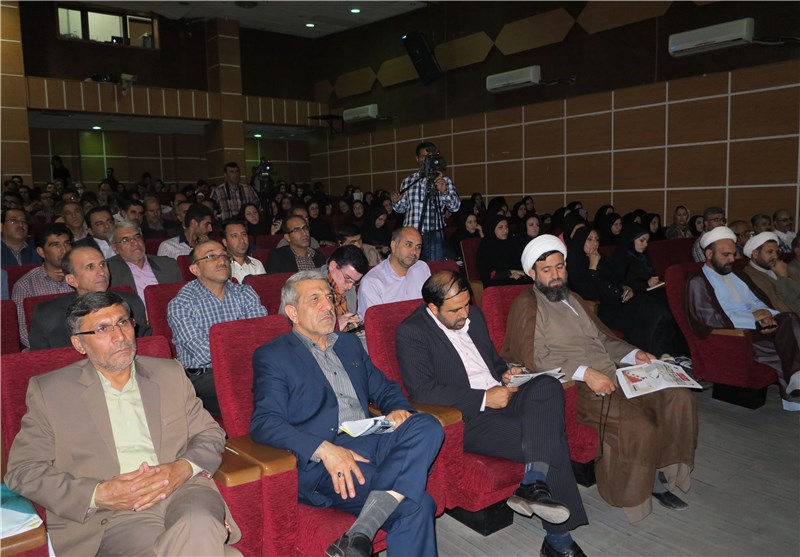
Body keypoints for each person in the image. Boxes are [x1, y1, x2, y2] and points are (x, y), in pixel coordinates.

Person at [5, 291, 241, 556]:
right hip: (113, 515)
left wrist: (182, 468)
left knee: (198, 523)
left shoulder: (169, 374)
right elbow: (23, 471)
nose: (119, 336)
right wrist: (99, 493)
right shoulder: (51, 392)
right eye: (102, 329)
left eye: (122, 322)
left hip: (184, 490)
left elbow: (209, 433)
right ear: (79, 344)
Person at [503, 235, 698, 522]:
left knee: (678, 397)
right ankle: (635, 493)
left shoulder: (573, 298)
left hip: (614, 372)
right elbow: (533, 359)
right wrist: (584, 372)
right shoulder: (527, 305)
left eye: (560, 267)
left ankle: (666, 468)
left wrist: (634, 355)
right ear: (532, 273)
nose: (556, 275)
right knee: (639, 425)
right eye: (547, 270)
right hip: (576, 387)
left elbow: (603, 340)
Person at [250, 271, 443, 557]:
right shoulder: (274, 355)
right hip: (327, 456)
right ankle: (363, 530)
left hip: (371, 435)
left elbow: (384, 388)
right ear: (292, 313)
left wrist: (397, 409)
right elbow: (264, 422)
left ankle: (360, 531)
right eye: (315, 300)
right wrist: (324, 450)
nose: (328, 306)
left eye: (329, 297)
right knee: (419, 504)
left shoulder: (348, 344)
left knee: (427, 424)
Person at [397, 271, 589, 557]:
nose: (465, 313)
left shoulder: (474, 316)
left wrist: (505, 373)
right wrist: (484, 398)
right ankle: (558, 539)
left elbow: (492, 361)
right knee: (550, 436)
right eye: (455, 310)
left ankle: (532, 483)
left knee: (547, 385)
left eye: (466, 304)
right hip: (469, 417)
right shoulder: (412, 332)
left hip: (504, 394)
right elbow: (422, 391)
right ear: (433, 308)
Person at [687, 227, 800, 409]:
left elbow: (755, 301)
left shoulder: (736, 275)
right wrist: (752, 318)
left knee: (789, 319)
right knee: (791, 334)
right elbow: (710, 319)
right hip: (738, 334)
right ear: (709, 254)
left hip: (760, 326)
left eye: (733, 254)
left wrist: (766, 315)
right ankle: (794, 385)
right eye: (726, 255)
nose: (732, 259)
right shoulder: (698, 282)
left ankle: (796, 381)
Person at [167, 240, 267, 416]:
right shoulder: (181, 303)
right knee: (256, 389)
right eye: (211, 256)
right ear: (195, 269)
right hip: (204, 376)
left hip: (247, 367)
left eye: (223, 255)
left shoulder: (245, 293)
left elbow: (262, 335)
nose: (221, 261)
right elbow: (203, 353)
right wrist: (243, 344)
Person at [28, 245, 151, 350]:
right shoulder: (47, 314)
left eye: (103, 265)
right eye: (90, 267)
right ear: (71, 280)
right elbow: (41, 361)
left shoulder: (130, 302)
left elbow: (145, 347)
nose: (102, 272)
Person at [392, 141, 460, 261]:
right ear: (417, 158)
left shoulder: (443, 181)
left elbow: (455, 207)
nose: (427, 161)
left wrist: (444, 192)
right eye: (424, 157)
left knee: (435, 270)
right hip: (411, 234)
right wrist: (396, 201)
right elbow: (401, 209)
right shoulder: (408, 181)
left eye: (430, 157)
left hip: (434, 235)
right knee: (411, 268)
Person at [12, 224, 74, 348]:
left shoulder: (83, 276)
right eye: (55, 245)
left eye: (67, 243)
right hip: (46, 349)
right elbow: (22, 331)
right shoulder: (25, 285)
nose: (64, 250)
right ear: (41, 252)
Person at [357, 227, 431, 316]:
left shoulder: (422, 268)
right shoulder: (372, 282)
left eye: (418, 247)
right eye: (409, 245)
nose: (414, 252)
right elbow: (376, 321)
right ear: (393, 246)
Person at [107, 220, 183, 303]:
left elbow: (183, 297)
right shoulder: (109, 271)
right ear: (115, 248)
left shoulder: (168, 265)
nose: (135, 242)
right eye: (126, 240)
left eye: (137, 237)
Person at [741, 232, 800, 316]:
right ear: (755, 254)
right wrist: (783, 277)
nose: (775, 256)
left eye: (776, 252)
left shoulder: (776, 267)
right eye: (770, 252)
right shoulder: (750, 276)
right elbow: (782, 305)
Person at [319, 244, 369, 333]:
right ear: (333, 266)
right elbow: (308, 335)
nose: (350, 287)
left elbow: (347, 322)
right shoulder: (310, 286)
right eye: (347, 278)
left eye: (354, 282)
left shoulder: (350, 287)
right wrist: (336, 326)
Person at [476, 214, 531, 288]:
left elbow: (520, 263)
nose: (505, 230)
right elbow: (488, 274)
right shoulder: (486, 246)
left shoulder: (512, 243)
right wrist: (509, 273)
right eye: (500, 227)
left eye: (506, 227)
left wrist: (518, 273)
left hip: (516, 277)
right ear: (493, 229)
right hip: (496, 281)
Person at [221, 218, 266, 283]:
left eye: (244, 235)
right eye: (235, 236)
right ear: (225, 242)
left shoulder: (257, 264)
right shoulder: (221, 266)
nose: (241, 240)